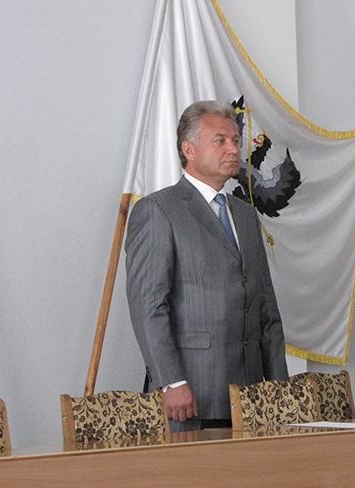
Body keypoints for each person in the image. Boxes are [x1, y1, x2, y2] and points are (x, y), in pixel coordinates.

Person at [125, 100, 288, 431]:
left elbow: (266, 308)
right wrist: (171, 381)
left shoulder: (245, 215)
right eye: (220, 140)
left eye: (235, 140)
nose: (233, 149)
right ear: (189, 149)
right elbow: (149, 307)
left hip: (251, 396)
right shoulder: (158, 210)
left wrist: (279, 387)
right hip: (191, 396)